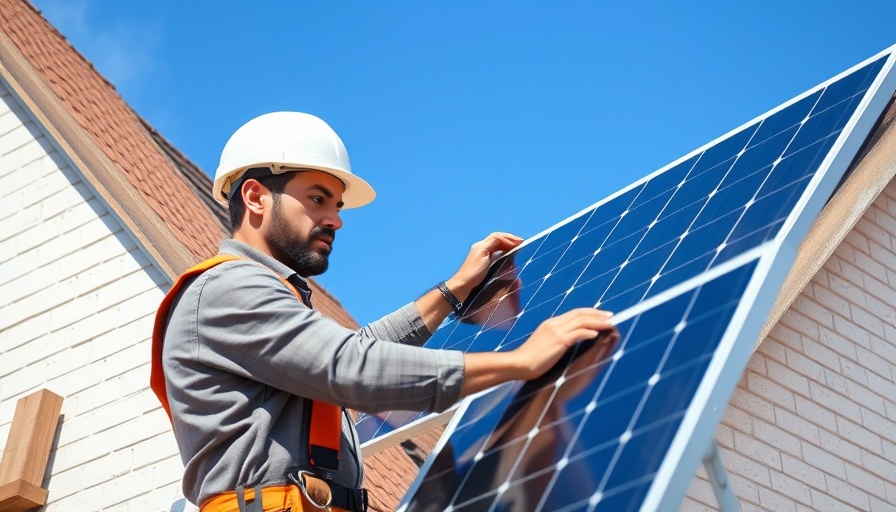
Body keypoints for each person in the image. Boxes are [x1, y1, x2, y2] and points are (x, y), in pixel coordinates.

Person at [151, 112, 615, 512]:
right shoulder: (227, 287)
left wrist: (452, 291)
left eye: (337, 205)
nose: (336, 219)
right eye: (317, 199)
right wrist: (519, 363)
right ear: (255, 197)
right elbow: (350, 368)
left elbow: (354, 353)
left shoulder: (269, 296)